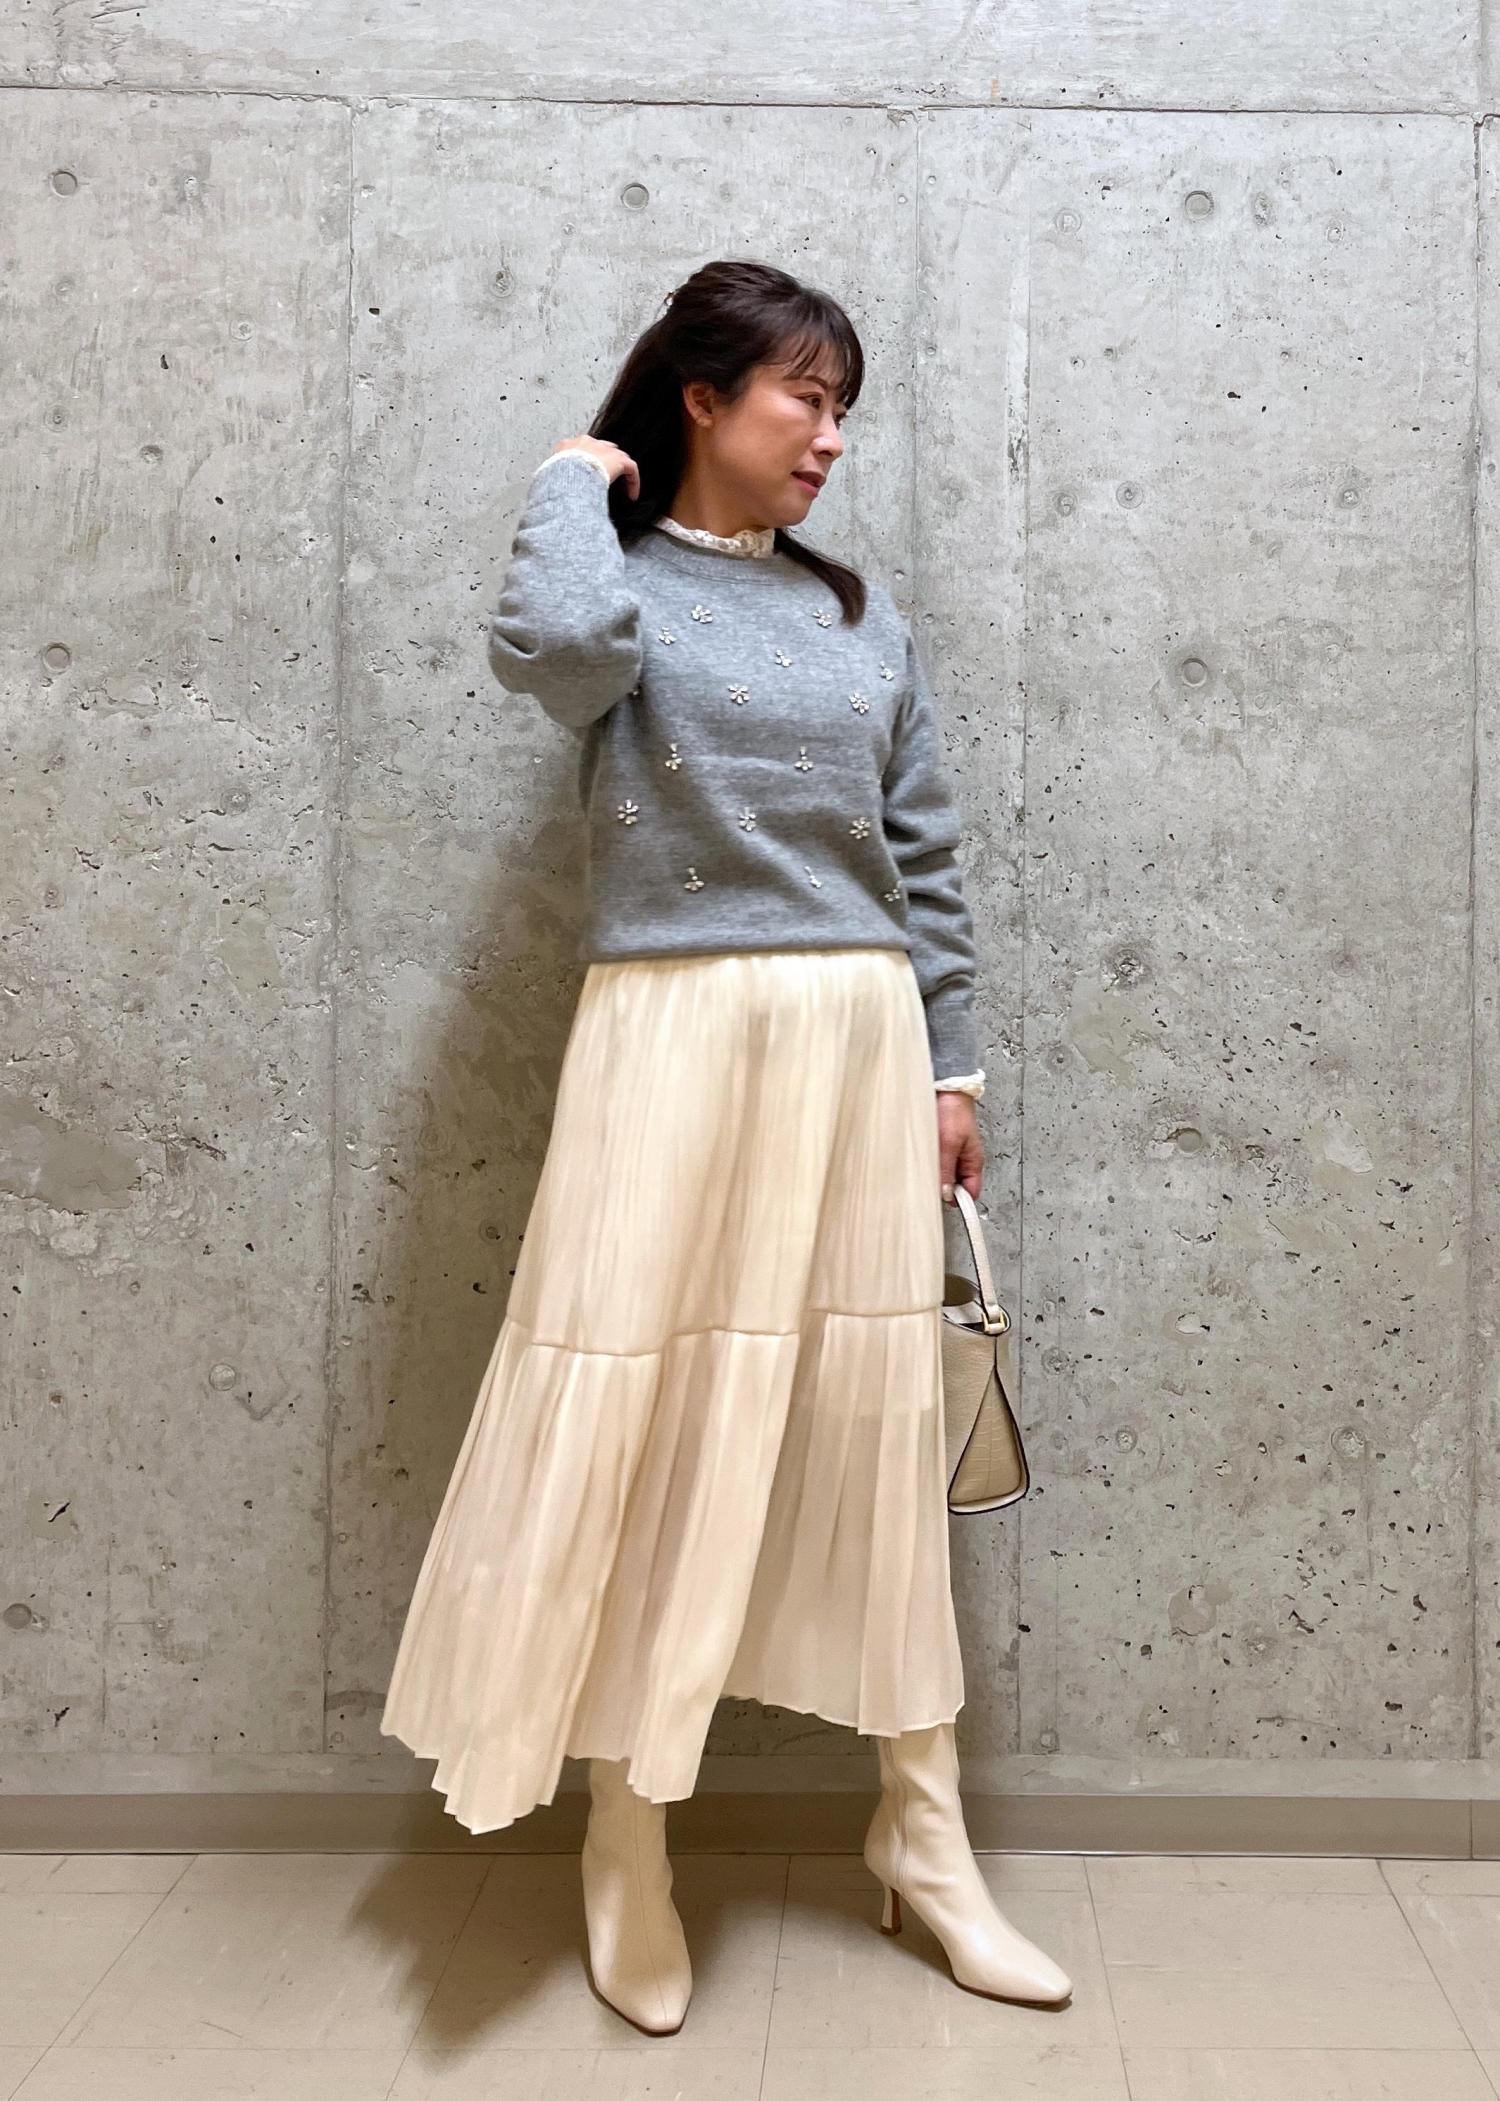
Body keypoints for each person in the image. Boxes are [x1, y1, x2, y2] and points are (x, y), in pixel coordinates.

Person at [379, 258, 1071, 2033]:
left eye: (845, 409)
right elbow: (549, 657)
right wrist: (568, 478)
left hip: (856, 1037)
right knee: (655, 1412)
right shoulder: (614, 581)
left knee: (872, 1415)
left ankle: (924, 1834)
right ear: (702, 397)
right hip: (672, 1039)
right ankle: (630, 1829)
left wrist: (954, 1072)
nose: (831, 438)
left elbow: (924, 853)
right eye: (803, 399)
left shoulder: (861, 613)